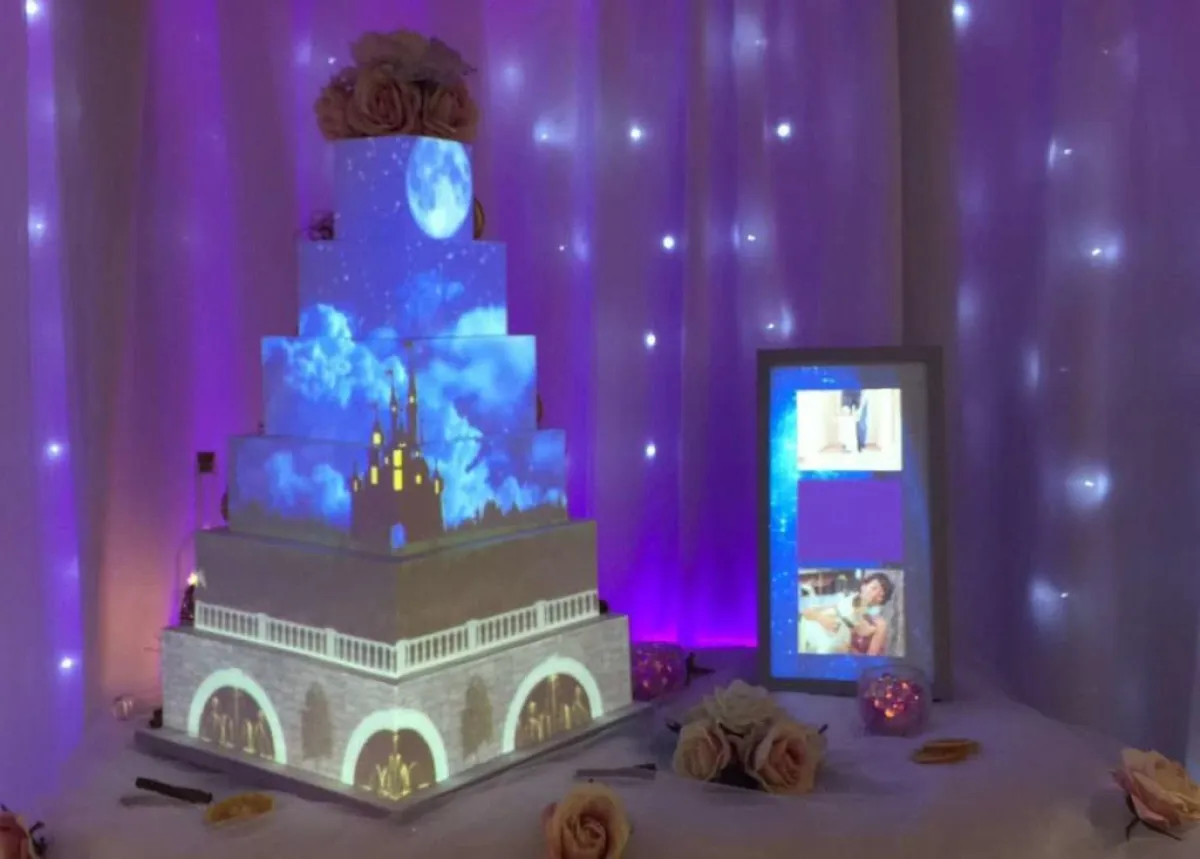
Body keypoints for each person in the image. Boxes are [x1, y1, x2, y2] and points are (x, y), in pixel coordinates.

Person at [800, 572, 895, 656]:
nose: (874, 594)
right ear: (863, 586)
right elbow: (806, 611)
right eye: (873, 588)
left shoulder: (879, 624)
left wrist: (849, 650)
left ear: (881, 602)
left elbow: (871, 658)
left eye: (881, 595)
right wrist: (821, 619)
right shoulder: (843, 601)